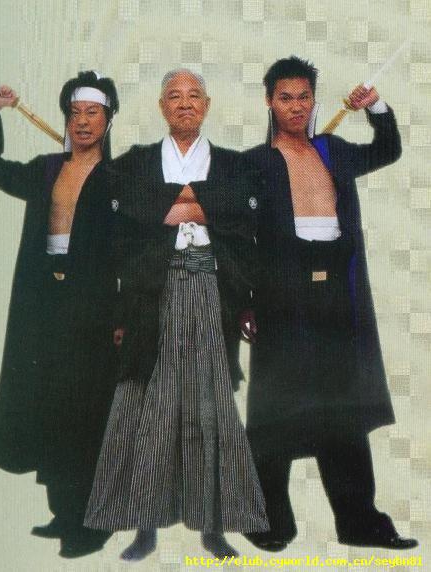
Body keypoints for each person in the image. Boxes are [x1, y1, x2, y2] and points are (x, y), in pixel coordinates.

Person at [83, 69, 268, 560]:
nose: (184, 104)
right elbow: (128, 222)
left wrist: (173, 204)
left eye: (193, 96)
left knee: (210, 402)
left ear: (207, 104)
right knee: (151, 403)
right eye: (174, 96)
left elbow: (241, 218)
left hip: (211, 286)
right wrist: (200, 203)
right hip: (152, 290)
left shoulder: (233, 165)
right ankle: (145, 526)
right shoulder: (135, 163)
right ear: (162, 106)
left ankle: (213, 525)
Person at [242, 56, 418, 551]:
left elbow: (387, 150)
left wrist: (375, 107)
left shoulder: (333, 150)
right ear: (269, 101)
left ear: (313, 100)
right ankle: (267, 521)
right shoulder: (254, 163)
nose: (295, 107)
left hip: (338, 293)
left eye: (304, 97)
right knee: (275, 407)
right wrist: (245, 302)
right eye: (285, 98)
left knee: (344, 409)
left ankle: (359, 523)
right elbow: (237, 238)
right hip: (280, 294)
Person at [0, 71, 119, 558]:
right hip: (46, 301)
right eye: (75, 113)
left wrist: (123, 315)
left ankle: (93, 523)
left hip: (94, 305)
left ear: (107, 119)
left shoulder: (120, 178)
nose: (82, 121)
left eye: (92, 112)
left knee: (87, 411)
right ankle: (63, 512)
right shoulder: (46, 169)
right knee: (51, 405)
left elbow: (131, 250)